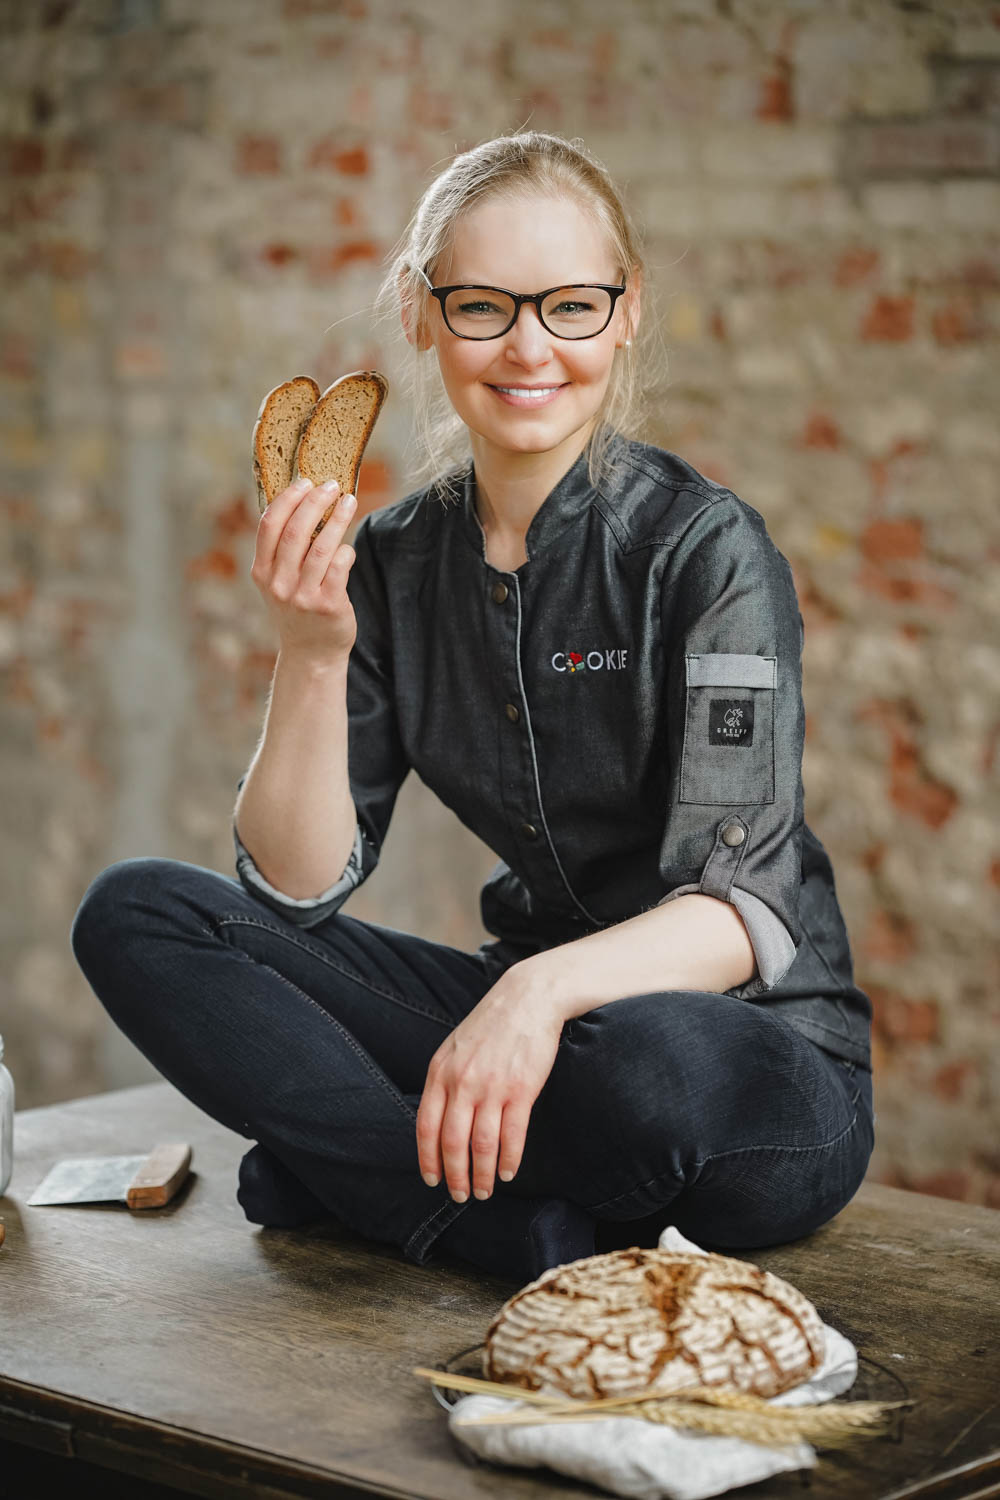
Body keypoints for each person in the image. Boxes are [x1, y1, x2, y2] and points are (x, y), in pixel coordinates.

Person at [70, 130, 874, 1285]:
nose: (529, 347)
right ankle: (451, 1204)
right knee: (137, 913)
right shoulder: (396, 560)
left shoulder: (705, 550)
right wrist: (308, 651)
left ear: (628, 311)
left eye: (572, 306)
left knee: (649, 1065)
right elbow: (297, 887)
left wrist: (534, 992)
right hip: (520, 1037)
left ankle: (351, 1171)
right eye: (485, 306)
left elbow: (738, 912)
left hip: (747, 1064)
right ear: (420, 311)